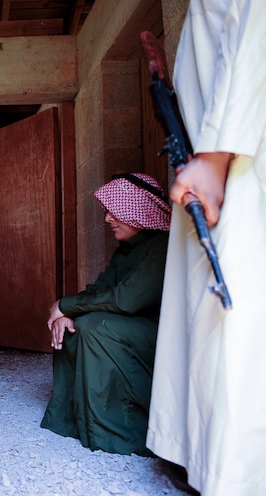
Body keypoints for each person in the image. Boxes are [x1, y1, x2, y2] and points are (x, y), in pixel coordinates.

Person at [146, 1, 266, 494]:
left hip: (233, 159)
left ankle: (231, 472)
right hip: (209, 153)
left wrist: (215, 156)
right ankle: (199, 454)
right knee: (201, 315)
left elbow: (254, 25)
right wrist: (166, 82)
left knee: (232, 314)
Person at [41, 173, 172, 456]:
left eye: (115, 211)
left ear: (137, 211)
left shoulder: (161, 246)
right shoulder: (126, 250)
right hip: (131, 325)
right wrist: (67, 313)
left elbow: (127, 300)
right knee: (75, 326)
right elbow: (100, 289)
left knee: (95, 326)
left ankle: (117, 432)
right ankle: (77, 422)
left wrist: (67, 304)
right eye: (107, 211)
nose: (107, 219)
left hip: (160, 332)